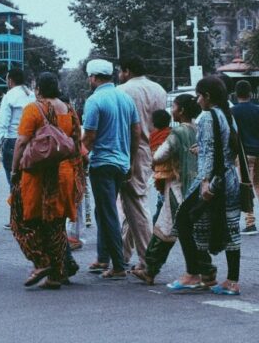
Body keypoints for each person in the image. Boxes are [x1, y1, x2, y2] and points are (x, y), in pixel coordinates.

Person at [168, 76, 242, 295]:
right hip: (229, 178)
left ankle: (193, 273)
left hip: (212, 179)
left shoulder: (207, 117)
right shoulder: (227, 114)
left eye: (199, 95)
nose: (197, 100)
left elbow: (209, 152)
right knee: (230, 227)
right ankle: (231, 280)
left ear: (208, 96)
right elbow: (229, 146)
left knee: (183, 219)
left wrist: (205, 182)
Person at [10, 72, 83, 289]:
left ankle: (41, 262)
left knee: (22, 221)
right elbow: (77, 143)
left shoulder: (34, 108)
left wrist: (15, 169)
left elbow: (22, 142)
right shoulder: (69, 110)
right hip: (64, 173)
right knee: (56, 225)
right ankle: (57, 274)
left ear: (38, 89)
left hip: (38, 174)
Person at [131, 94, 200, 285]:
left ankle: (152, 268)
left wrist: (151, 157)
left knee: (166, 228)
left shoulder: (177, 134)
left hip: (177, 187)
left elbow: (160, 155)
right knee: (181, 228)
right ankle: (152, 269)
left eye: (175, 107)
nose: (173, 111)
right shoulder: (197, 129)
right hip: (195, 187)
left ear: (182, 111)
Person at [82, 59, 140, 279]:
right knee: (102, 211)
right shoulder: (126, 99)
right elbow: (135, 133)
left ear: (94, 77)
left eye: (89, 77)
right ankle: (103, 257)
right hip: (121, 162)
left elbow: (89, 136)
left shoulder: (94, 100)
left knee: (107, 213)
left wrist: (79, 154)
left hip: (102, 163)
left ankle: (117, 265)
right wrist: (131, 161)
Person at [117, 56, 167, 270]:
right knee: (132, 200)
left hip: (131, 149)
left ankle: (148, 258)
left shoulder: (123, 91)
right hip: (152, 148)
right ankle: (123, 253)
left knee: (136, 203)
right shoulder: (159, 90)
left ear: (126, 71)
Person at [230, 80, 259, 234]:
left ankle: (250, 222)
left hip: (244, 153)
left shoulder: (233, 111)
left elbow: (231, 133)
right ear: (250, 94)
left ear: (236, 94)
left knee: (245, 185)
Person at [0, 68, 35, 198]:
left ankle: (17, 214)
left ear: (10, 80)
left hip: (12, 141)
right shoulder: (32, 95)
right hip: (30, 141)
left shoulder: (9, 96)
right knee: (28, 182)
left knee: (14, 181)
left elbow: (3, 123)